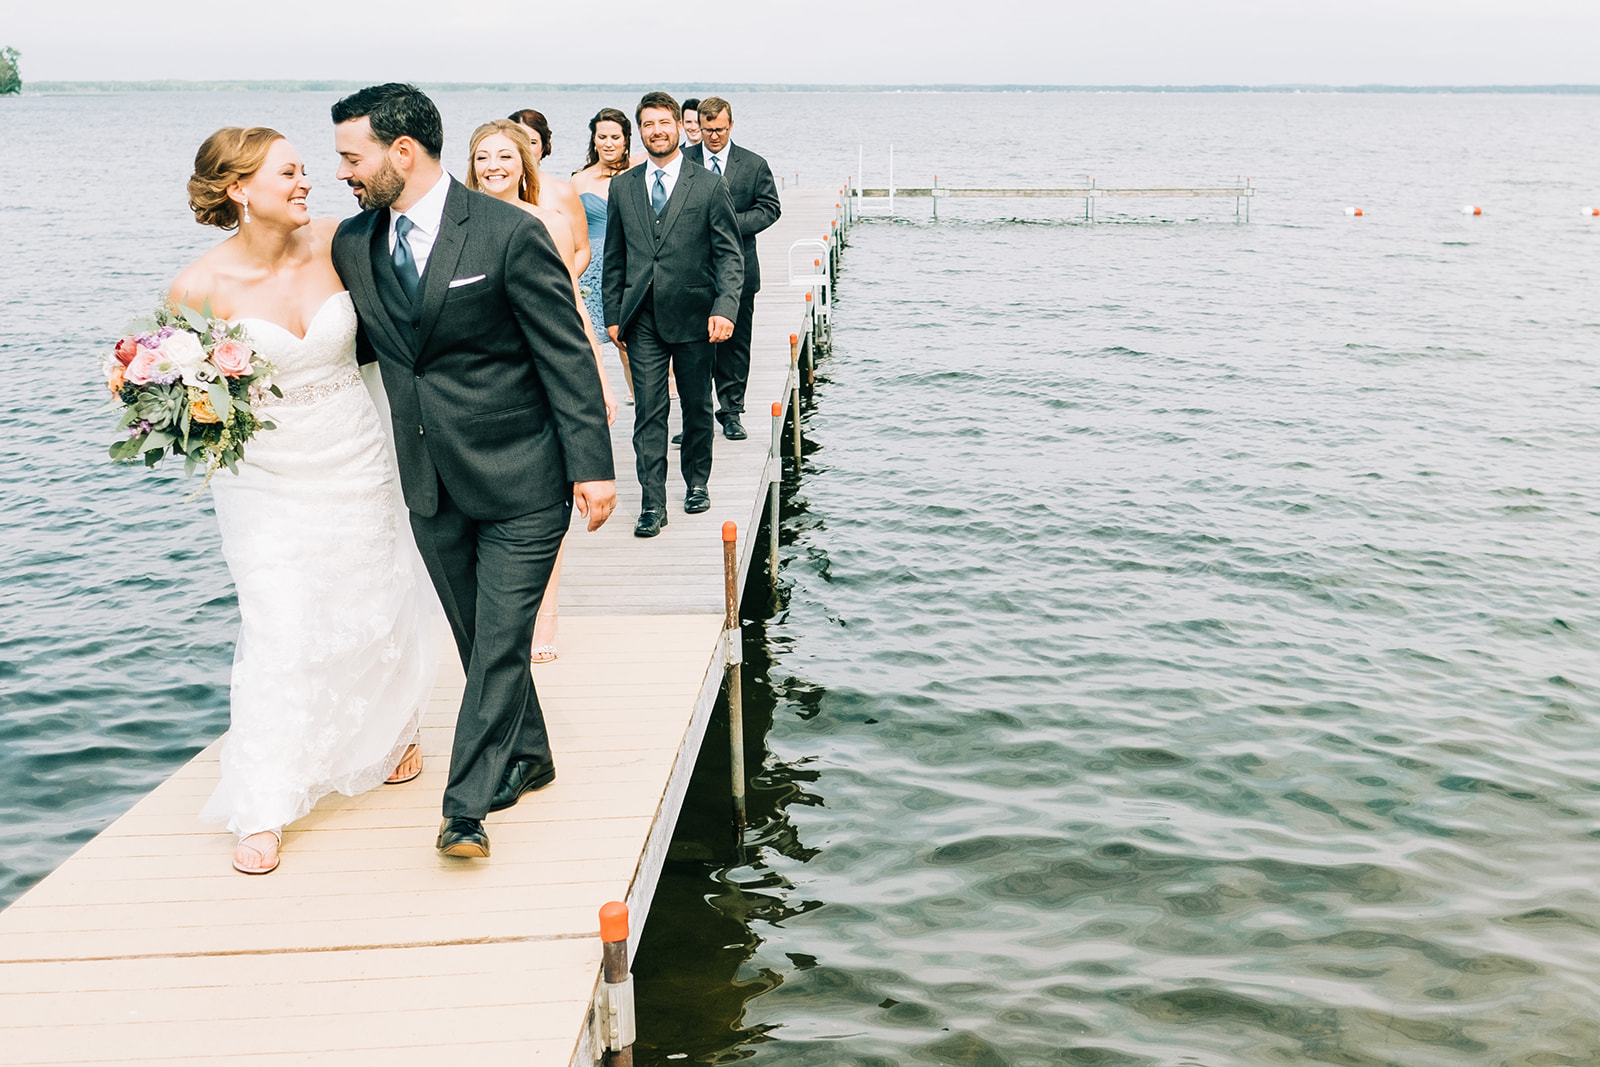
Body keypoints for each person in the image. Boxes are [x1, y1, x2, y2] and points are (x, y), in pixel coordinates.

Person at [329, 84, 617, 860]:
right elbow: (354, 346)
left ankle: (466, 806)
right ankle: (532, 755)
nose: (343, 174)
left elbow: (564, 351)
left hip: (525, 475)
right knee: (475, 637)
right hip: (429, 479)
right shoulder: (353, 243)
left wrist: (593, 466)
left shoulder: (506, 232)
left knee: (496, 643)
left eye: (351, 158)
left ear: (402, 151)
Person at [170, 126, 435, 876]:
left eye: (306, 171)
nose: (306, 183)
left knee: (375, 592)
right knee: (280, 620)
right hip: (264, 477)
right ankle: (262, 803)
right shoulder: (199, 286)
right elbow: (183, 396)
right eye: (288, 173)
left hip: (355, 449)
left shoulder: (339, 245)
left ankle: (391, 729)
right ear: (238, 188)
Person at [466, 118, 618, 662]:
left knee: (543, 501)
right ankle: (496, 615)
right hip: (484, 383)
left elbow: (572, 307)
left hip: (541, 377)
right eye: (484, 156)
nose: (494, 167)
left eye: (505, 156)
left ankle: (544, 618)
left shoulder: (547, 222)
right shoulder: (456, 224)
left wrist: (595, 379)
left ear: (524, 163)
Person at [603, 91, 743, 538]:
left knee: (699, 407)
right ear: (639, 132)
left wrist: (725, 308)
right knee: (649, 410)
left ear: (680, 128)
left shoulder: (707, 184)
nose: (657, 131)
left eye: (664, 122)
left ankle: (697, 482)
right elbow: (614, 257)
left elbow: (728, 255)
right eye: (647, 125)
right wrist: (612, 315)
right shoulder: (623, 186)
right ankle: (652, 502)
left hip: (696, 317)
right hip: (641, 317)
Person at [682, 96, 781, 441]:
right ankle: (695, 417)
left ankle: (732, 412)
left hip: (739, 269)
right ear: (696, 126)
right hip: (689, 272)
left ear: (731, 125)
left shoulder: (753, 165)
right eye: (707, 130)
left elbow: (770, 208)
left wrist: (727, 223)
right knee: (693, 347)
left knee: (735, 345)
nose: (713, 136)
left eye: (720, 130)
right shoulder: (682, 160)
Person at [571, 108, 634, 402]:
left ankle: (641, 402)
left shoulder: (640, 171)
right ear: (594, 140)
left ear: (626, 140)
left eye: (615, 137)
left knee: (629, 345)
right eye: (602, 137)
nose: (608, 143)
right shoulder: (579, 181)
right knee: (589, 344)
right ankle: (595, 405)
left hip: (630, 264)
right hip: (591, 267)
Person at [507, 108, 590, 277]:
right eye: (518, 140)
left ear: (544, 146)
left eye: (532, 142)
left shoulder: (563, 191)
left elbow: (582, 249)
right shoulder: (493, 191)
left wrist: (559, 284)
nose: (524, 148)